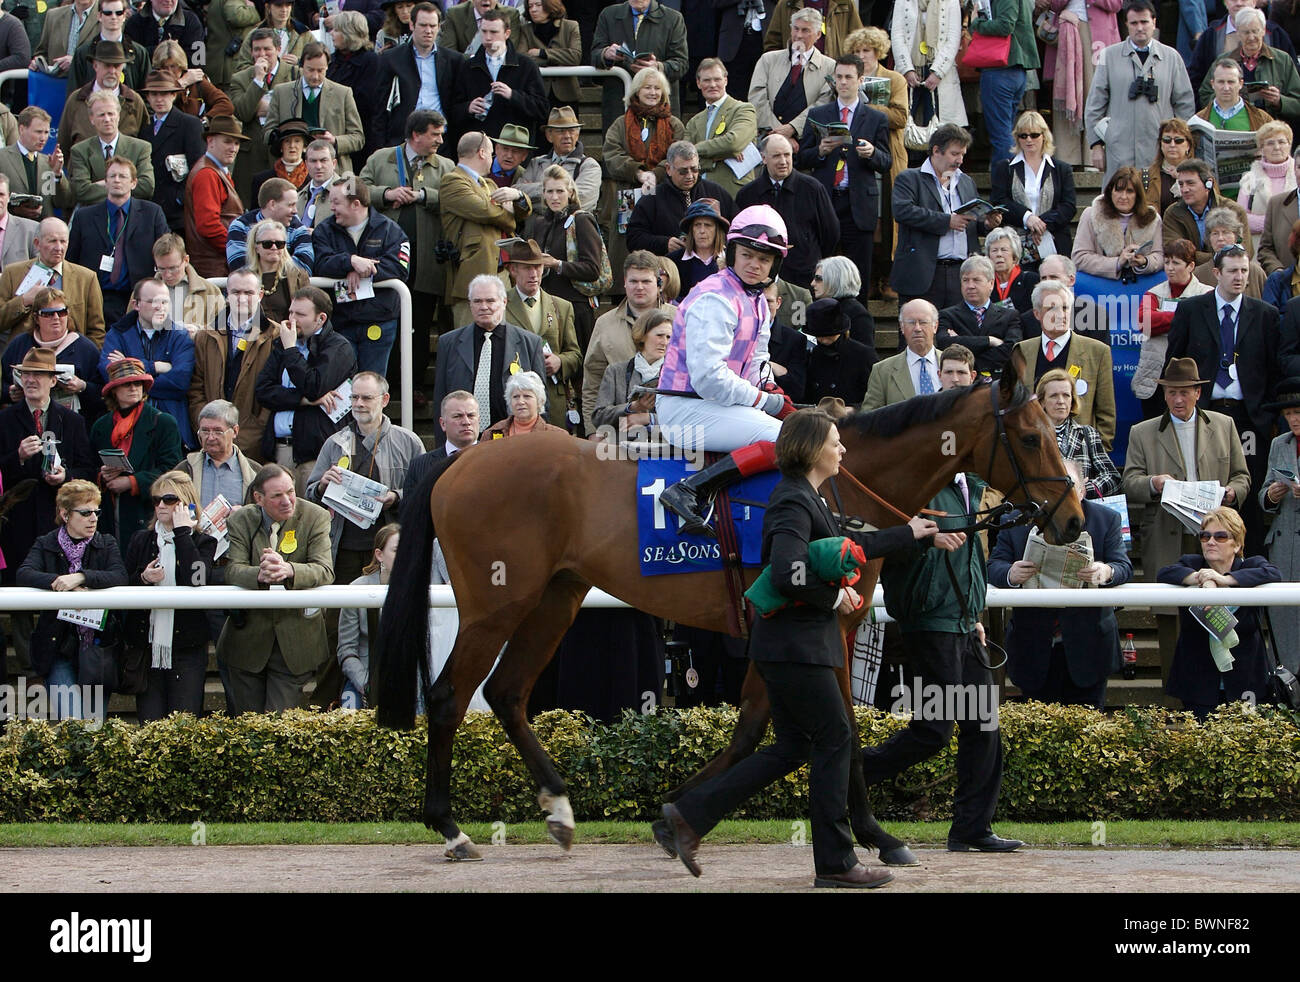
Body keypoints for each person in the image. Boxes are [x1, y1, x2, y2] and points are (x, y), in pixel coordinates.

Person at [660, 408, 933, 887]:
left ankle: (688, 816)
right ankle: (835, 863)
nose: (843, 449)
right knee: (836, 738)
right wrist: (834, 595)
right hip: (796, 647)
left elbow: (842, 545)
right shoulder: (792, 501)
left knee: (792, 747)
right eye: (834, 442)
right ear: (811, 450)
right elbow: (787, 571)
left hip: (793, 646)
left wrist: (908, 533)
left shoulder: (808, 496)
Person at [866, 353, 1019, 854]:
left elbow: (972, 553)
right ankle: (844, 779)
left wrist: (975, 616)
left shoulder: (969, 488)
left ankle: (972, 828)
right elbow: (881, 537)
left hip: (962, 622)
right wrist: (921, 538)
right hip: (927, 621)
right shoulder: (914, 483)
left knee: (983, 725)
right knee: (932, 730)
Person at [656, 205, 797, 534]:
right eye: (747, 255)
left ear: (774, 265)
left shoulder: (758, 301)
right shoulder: (714, 298)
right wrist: (764, 402)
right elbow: (709, 379)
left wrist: (770, 389)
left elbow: (757, 361)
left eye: (764, 260)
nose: (754, 265)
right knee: (783, 439)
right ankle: (690, 489)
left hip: (715, 404)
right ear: (733, 252)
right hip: (684, 407)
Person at [1122, 358, 1250, 679]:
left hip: (1214, 535)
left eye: (1184, 392)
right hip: (1167, 533)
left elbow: (1242, 477)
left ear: (1197, 393)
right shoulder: (1142, 432)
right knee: (1170, 617)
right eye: (1171, 393)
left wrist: (1233, 493)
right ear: (1164, 396)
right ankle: (1174, 697)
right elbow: (1129, 482)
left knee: (1222, 607)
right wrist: (1155, 483)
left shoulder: (1223, 425)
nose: (1177, 400)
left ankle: (1220, 691)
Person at [988, 457, 1132, 709]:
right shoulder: (1017, 520)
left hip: (1089, 645)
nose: (1061, 493)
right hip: (1033, 645)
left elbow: (1123, 566)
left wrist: (1106, 571)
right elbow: (993, 567)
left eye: (1069, 485)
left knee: (1089, 731)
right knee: (1038, 731)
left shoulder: (1106, 518)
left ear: (1083, 488)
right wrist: (1010, 574)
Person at [1167, 242, 1282, 554]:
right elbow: (1174, 362)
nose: (1240, 277)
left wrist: (1268, 419)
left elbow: (1274, 372)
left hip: (1249, 418)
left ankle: (1250, 580)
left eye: (1244, 270)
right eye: (1233, 271)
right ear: (1216, 273)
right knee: (1207, 495)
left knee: (1247, 499)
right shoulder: (1191, 310)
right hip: (1205, 416)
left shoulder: (1265, 315)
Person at [217, 462, 334, 714]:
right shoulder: (241, 520)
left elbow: (325, 570)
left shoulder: (315, 516)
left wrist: (289, 570)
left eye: (290, 492)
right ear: (258, 498)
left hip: (294, 640)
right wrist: (260, 574)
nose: (287, 501)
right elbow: (232, 570)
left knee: (278, 725)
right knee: (248, 728)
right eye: (277, 495)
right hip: (247, 641)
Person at [360, 109, 455, 403]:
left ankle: (412, 386)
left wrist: (425, 195)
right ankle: (382, 384)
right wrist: (386, 194)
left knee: (420, 322)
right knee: (383, 318)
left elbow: (455, 197)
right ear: (416, 135)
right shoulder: (381, 158)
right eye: (434, 134)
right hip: (384, 258)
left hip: (426, 259)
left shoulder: (446, 165)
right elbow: (356, 188)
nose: (440, 140)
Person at [18, 479, 127, 720]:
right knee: (73, 724)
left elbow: (119, 575)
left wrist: (79, 577)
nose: (93, 518)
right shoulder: (46, 543)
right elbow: (24, 573)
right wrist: (60, 583)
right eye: (85, 512)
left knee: (95, 729)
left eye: (96, 512)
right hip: (58, 647)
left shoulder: (106, 542)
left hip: (98, 647)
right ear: (65, 514)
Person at [1159, 506, 1280, 719]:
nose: (1211, 541)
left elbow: (1273, 573)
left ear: (1237, 544)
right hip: (1199, 681)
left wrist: (1225, 580)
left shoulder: (1252, 565)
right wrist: (1202, 578)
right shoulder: (1191, 563)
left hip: (1246, 678)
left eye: (1221, 536)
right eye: (1205, 536)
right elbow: (1165, 573)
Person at [123, 470, 218, 722]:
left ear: (186, 503)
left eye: (169, 499)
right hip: (147, 645)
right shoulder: (141, 540)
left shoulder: (203, 541)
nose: (161, 506)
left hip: (187, 645)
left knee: (184, 724)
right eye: (156, 500)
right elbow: (123, 583)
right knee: (150, 723)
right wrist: (143, 578)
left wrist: (182, 533)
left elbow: (198, 579)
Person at [798, 54, 891, 305]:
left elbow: (887, 161)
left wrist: (872, 154)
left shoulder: (876, 118)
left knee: (858, 272)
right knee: (822, 267)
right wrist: (820, 151)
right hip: (826, 200)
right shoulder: (819, 113)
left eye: (849, 77)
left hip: (858, 203)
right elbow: (802, 158)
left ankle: (857, 328)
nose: (843, 82)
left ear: (861, 80)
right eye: (838, 77)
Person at [892, 124, 1003, 312]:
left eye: (962, 154)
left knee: (958, 337)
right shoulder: (910, 178)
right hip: (924, 272)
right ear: (936, 150)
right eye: (954, 154)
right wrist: (946, 221)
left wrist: (986, 224)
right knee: (917, 333)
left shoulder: (966, 181)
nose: (960, 160)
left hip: (961, 273)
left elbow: (969, 223)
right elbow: (903, 211)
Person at [255, 286, 357, 489]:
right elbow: (263, 391)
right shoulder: (282, 344)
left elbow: (314, 386)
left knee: (311, 516)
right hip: (280, 448)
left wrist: (291, 350)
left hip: (316, 453)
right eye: (291, 312)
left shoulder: (338, 347)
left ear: (321, 319)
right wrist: (304, 400)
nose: (292, 319)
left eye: (300, 314)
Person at [1084, 0, 1195, 181]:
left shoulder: (1172, 57)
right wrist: (1096, 144)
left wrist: (1181, 145)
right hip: (1119, 150)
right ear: (1126, 24)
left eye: (1144, 22)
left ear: (1154, 22)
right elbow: (1094, 104)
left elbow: (1185, 104)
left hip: (1160, 150)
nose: (1140, 28)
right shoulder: (1109, 56)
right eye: (1134, 23)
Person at [311, 175, 410, 375]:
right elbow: (320, 264)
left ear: (355, 204)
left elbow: (400, 268)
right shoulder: (324, 230)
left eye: (336, 202)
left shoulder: (391, 230)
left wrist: (366, 271)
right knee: (341, 387)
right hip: (340, 321)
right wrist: (349, 262)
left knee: (372, 385)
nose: (332, 208)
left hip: (379, 320)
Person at [432, 274, 547, 439]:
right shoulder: (448, 343)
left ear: (504, 302)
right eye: (477, 301)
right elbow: (440, 401)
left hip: (513, 439)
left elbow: (542, 401)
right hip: (465, 441)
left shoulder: (530, 343)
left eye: (490, 301)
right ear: (470, 305)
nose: (483, 307)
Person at [440, 131, 532, 326]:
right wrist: (509, 217)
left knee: (503, 340)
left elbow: (524, 212)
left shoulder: (488, 183)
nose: (492, 160)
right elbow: (486, 212)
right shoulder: (453, 181)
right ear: (482, 153)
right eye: (491, 154)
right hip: (473, 275)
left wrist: (518, 195)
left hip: (501, 273)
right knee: (469, 341)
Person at [601, 66, 686, 278]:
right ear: (637, 90)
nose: (652, 92)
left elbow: (678, 154)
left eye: (657, 88)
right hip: (628, 195)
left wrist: (655, 174)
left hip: (664, 195)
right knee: (627, 248)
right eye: (647, 87)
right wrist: (638, 172)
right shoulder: (620, 124)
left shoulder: (674, 124)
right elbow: (611, 155)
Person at [1012, 280, 1117, 446]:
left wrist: (1096, 454)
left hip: (1079, 454)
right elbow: (1015, 408)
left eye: (1065, 308)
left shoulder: (1097, 352)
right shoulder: (1022, 351)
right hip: (1032, 453)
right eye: (1051, 308)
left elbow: (1106, 413)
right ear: (1037, 314)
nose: (1060, 314)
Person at [66, 156, 169, 325]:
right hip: (95, 298)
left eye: (122, 176)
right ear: (105, 182)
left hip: (137, 298)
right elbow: (71, 260)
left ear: (134, 183)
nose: (117, 180)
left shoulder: (152, 213)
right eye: (112, 176)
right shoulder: (84, 216)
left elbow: (166, 250)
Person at [581, 251, 675, 433]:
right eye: (633, 281)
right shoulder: (605, 323)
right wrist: (592, 431)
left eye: (646, 281)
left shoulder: (679, 319)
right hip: (617, 432)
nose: (639, 287)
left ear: (659, 283)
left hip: (669, 431)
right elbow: (592, 380)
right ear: (624, 282)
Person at [188, 267, 274, 462]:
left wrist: (253, 431)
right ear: (227, 295)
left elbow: (273, 393)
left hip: (253, 443)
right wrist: (208, 429)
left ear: (260, 294)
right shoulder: (205, 336)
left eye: (249, 293)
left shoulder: (274, 336)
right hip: (210, 440)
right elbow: (195, 389)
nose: (242, 298)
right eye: (236, 292)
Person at [736, 134, 838, 293]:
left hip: (804, 277)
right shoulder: (747, 194)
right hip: (761, 278)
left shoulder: (812, 188)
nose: (783, 161)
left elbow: (830, 232)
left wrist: (809, 257)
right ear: (763, 158)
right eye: (776, 156)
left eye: (787, 155)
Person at [500, 238, 581, 429]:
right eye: (527, 268)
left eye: (538, 267)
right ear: (513, 270)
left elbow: (575, 354)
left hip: (552, 398)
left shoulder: (561, 306)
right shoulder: (501, 305)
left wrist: (560, 361)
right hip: (515, 399)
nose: (534, 274)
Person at [522, 164, 603, 352]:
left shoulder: (582, 220)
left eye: (560, 191)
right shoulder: (541, 223)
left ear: (570, 192)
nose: (554, 197)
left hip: (576, 309)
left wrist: (557, 264)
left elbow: (593, 269)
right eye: (549, 191)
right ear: (543, 193)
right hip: (546, 308)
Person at [0, 287, 105, 423]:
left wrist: (82, 386)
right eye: (48, 314)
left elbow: (103, 393)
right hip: (24, 423)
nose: (56, 318)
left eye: (61, 313)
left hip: (70, 426)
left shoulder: (85, 348)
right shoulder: (20, 344)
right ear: (36, 318)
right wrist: (10, 393)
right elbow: (2, 382)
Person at [1133, 239, 1213, 417]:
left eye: (1176, 263)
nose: (1169, 268)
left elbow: (1203, 328)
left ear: (1191, 266)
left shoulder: (1207, 293)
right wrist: (1185, 315)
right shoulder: (1152, 293)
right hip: (1154, 377)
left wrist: (1162, 318)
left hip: (1192, 378)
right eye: (1167, 262)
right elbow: (1144, 322)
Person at [0, 217, 106, 347]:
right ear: (37, 243)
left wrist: (86, 359)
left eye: (63, 241)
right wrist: (24, 300)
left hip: (71, 357)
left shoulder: (86, 278)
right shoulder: (12, 273)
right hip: (26, 357)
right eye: (52, 241)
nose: (59, 247)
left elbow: (97, 331)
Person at [990, 112, 1077, 268]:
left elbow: (1069, 206)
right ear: (1017, 138)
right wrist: (1027, 218)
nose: (1029, 140)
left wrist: (1041, 223)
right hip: (1016, 244)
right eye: (1023, 136)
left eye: (1034, 135)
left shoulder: (1061, 169)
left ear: (1044, 136)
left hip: (1053, 241)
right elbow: (999, 201)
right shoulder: (1005, 168)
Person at [263, 42, 366, 173]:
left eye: (320, 70)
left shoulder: (343, 93)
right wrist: (284, 138)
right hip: (291, 171)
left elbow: (358, 138)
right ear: (301, 66)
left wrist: (334, 140)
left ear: (327, 67)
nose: (315, 76)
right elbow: (267, 133)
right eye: (310, 70)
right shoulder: (281, 92)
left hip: (334, 172)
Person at [451, 7, 549, 144]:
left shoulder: (526, 65)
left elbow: (542, 109)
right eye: (484, 31)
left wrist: (512, 95)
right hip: (479, 147)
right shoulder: (467, 67)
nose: (488, 37)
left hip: (515, 146)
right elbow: (453, 109)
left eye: (494, 32)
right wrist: (468, 107)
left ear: (507, 33)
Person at [626, 141, 737, 260]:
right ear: (668, 169)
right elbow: (633, 238)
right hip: (668, 270)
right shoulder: (651, 198)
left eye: (694, 169)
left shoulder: (716, 192)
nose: (689, 176)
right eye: (683, 171)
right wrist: (664, 243)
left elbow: (736, 228)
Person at [590, 0, 689, 131]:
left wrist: (658, 67)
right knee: (618, 148)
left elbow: (681, 64)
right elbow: (594, 56)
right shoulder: (609, 15)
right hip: (619, 102)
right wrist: (606, 54)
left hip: (658, 105)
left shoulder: (673, 18)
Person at [375, 3, 462, 148]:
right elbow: (379, 108)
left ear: (439, 27)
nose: (428, 31)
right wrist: (380, 147)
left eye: (433, 26)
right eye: (423, 25)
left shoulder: (453, 61)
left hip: (442, 141)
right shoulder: (391, 59)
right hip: (403, 139)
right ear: (411, 25)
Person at [229, 28, 303, 200]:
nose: (262, 54)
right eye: (257, 49)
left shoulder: (295, 74)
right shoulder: (240, 78)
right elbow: (243, 113)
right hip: (253, 156)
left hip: (285, 151)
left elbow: (299, 110)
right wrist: (258, 80)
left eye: (267, 49)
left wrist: (272, 107)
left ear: (278, 50)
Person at [1199, 7, 1300, 128]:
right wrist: (1226, 96)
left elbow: (1297, 102)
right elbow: (1204, 96)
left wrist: (1279, 101)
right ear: (1238, 33)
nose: (1251, 37)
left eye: (1255, 31)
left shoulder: (1282, 60)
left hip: (1272, 130)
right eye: (1246, 32)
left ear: (1263, 31)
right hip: (1232, 127)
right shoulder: (1223, 61)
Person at [968, 0, 1038, 170]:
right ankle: (1011, 181)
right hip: (1012, 70)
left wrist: (976, 23)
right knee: (1007, 132)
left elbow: (1005, 26)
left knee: (1001, 135)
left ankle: (1006, 185)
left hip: (1000, 69)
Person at [748, 8, 836, 145]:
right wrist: (778, 134)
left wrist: (793, 128)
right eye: (796, 29)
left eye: (805, 30)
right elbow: (756, 97)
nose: (798, 35)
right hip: (767, 139)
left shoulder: (830, 66)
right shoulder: (768, 60)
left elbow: (824, 103)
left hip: (807, 141)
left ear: (818, 35)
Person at [1260, 378, 1300, 675]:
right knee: (1283, 620)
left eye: (1298, 412)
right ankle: (1286, 684)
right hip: (1284, 545)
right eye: (1288, 414)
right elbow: (1263, 495)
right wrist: (1271, 495)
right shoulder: (1279, 444)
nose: (1293, 419)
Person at [337, 522, 400, 710]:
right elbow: (346, 650)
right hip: (364, 678)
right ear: (379, 555)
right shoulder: (357, 589)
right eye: (397, 550)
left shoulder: (421, 588)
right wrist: (367, 684)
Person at [1037, 369, 1122, 497]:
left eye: (1066, 395)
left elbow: (1113, 478)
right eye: (1054, 395)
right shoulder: (1030, 437)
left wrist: (1083, 488)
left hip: (1082, 512)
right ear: (1042, 401)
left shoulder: (1088, 433)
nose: (1061, 401)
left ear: (1072, 400)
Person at [683, 59, 759, 201]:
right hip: (699, 196)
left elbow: (733, 142)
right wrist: (718, 158)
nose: (712, 85)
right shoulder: (694, 121)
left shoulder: (743, 109)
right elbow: (684, 156)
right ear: (699, 84)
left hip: (733, 195)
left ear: (725, 80)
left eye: (717, 79)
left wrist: (695, 150)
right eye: (706, 80)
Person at [935, 254, 1024, 377]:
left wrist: (962, 345)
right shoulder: (947, 315)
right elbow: (945, 343)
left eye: (976, 280)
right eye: (965, 280)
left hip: (997, 384)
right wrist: (989, 341)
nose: (970, 286)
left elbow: (1011, 350)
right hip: (961, 385)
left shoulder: (1009, 316)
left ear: (991, 284)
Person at [140, 70, 205, 236]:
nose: (159, 99)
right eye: (154, 94)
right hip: (151, 208)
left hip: (177, 213)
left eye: (164, 94)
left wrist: (180, 198)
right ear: (148, 97)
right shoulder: (145, 131)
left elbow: (198, 167)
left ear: (174, 95)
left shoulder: (189, 124)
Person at [1071, 166, 1163, 280]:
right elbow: (1079, 258)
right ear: (1110, 191)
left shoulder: (1153, 219)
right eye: (1118, 190)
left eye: (1130, 191)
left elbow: (1160, 256)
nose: (1123, 197)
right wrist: (1117, 263)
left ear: (1138, 195)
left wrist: (1145, 261)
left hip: (1141, 284)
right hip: (1102, 286)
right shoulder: (1090, 215)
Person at [184, 116, 248, 278]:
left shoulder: (214, 170)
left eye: (237, 143)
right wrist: (240, 249)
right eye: (227, 141)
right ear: (210, 141)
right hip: (213, 267)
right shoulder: (207, 174)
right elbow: (208, 226)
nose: (233, 148)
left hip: (218, 264)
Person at [66, 90, 155, 207]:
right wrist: (124, 185)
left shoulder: (140, 148)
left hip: (131, 215)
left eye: (111, 114)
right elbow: (81, 191)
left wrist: (104, 184)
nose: (107, 119)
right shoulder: (80, 150)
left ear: (118, 115)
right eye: (101, 115)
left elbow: (147, 187)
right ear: (92, 119)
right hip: (94, 216)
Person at [1188, 0, 1297, 95]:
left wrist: (1280, 101)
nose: (1239, 3)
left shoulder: (1275, 34)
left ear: (1254, 2)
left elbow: (1293, 83)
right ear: (1225, 3)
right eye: (1233, 0)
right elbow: (1197, 81)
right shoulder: (1211, 35)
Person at [60, 41, 148, 156]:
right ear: (95, 66)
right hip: (84, 172)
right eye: (107, 65)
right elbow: (63, 145)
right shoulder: (76, 100)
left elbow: (145, 144)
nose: (112, 71)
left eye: (116, 66)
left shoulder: (134, 101)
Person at [592, 309, 670, 438]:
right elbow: (599, 418)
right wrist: (633, 407)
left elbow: (686, 421)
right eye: (659, 335)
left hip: (664, 452)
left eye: (668, 337)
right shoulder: (616, 371)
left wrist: (648, 418)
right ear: (643, 335)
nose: (665, 342)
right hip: (621, 451)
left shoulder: (675, 376)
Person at [516, 106, 601, 215]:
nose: (567, 136)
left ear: (578, 134)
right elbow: (516, 194)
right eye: (560, 131)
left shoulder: (589, 166)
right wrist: (563, 190)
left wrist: (532, 193)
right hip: (535, 231)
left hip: (571, 231)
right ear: (549, 135)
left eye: (571, 130)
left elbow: (580, 202)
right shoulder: (536, 163)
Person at [177, 400, 259, 509]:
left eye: (218, 431)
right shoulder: (184, 470)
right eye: (205, 431)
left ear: (235, 431)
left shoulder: (255, 473)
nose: (210, 437)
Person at [862, 298, 942, 409]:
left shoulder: (952, 363)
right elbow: (869, 416)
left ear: (935, 326)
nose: (917, 328)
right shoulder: (882, 371)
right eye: (911, 323)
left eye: (923, 322)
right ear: (902, 327)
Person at [327, 11, 384, 165]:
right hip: (333, 133)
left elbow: (366, 101)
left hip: (360, 136)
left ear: (349, 33)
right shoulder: (332, 61)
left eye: (336, 30)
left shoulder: (371, 61)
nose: (331, 33)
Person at [226, 177, 314, 273]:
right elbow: (238, 265)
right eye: (290, 205)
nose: (295, 211)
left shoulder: (298, 228)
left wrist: (265, 264)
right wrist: (280, 265)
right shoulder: (240, 226)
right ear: (272, 204)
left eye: (279, 244)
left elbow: (304, 267)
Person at [801, 296, 875, 407]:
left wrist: (855, 409)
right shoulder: (810, 355)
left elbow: (875, 396)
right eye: (820, 336)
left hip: (851, 419)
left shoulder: (862, 355)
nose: (825, 340)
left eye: (829, 335)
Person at [0, 108, 72, 221]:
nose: (43, 138)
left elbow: (63, 202)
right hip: (12, 230)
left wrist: (57, 174)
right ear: (22, 129)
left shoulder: (48, 162)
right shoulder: (2, 158)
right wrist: (13, 210)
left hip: (43, 232)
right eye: (38, 132)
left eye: (46, 132)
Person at [68, 3, 150, 93]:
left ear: (124, 16)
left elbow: (147, 93)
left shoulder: (139, 53)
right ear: (99, 16)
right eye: (108, 13)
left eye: (119, 13)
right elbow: (74, 94)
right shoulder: (83, 52)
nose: (113, 17)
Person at [517, 0, 582, 111]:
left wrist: (542, 53)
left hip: (566, 94)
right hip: (537, 94)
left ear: (550, 5)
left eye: (538, 5)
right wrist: (558, 59)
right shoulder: (525, 30)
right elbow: (522, 59)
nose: (533, 9)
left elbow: (575, 56)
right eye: (530, 6)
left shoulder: (570, 26)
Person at [151, 39, 236, 122]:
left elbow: (226, 104)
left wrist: (206, 120)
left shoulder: (197, 81)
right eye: (164, 67)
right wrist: (181, 83)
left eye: (173, 66)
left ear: (181, 65)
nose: (169, 71)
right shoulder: (153, 82)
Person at [1236, 121, 1296, 239]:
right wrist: (1278, 222)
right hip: (1261, 249)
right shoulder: (1249, 179)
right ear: (1261, 149)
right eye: (1270, 143)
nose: (1277, 147)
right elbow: (1241, 218)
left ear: (1289, 145)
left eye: (1282, 142)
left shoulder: (1298, 175)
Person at [246, 219, 311, 325]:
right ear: (256, 247)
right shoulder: (244, 278)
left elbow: (308, 311)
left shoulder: (298, 276)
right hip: (252, 338)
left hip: (289, 336)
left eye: (280, 244)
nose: (274, 247)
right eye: (267, 244)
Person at [1193, 208, 1268, 297]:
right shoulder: (1199, 274)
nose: (1220, 238)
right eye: (1215, 233)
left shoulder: (1255, 272)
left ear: (1236, 236)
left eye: (1225, 232)